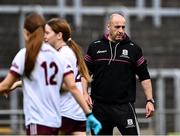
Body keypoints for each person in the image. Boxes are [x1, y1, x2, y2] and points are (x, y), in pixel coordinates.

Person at [0, 13, 101, 135]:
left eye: (48, 33)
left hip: (44, 117)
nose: (46, 36)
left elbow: (5, 85)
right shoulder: (56, 55)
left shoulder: (26, 54)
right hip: (57, 119)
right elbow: (72, 86)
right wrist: (88, 114)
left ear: (26, 33)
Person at [84, 12, 155, 135]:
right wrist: (84, 93)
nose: (121, 30)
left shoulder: (134, 49)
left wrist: (149, 100)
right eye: (117, 27)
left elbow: (144, 76)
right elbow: (84, 73)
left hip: (124, 107)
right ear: (108, 27)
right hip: (99, 107)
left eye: (123, 27)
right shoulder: (94, 47)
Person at [44, 18, 92, 135]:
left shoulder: (63, 54)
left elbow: (67, 85)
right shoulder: (67, 52)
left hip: (64, 112)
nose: (44, 36)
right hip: (77, 112)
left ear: (59, 35)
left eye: (47, 33)